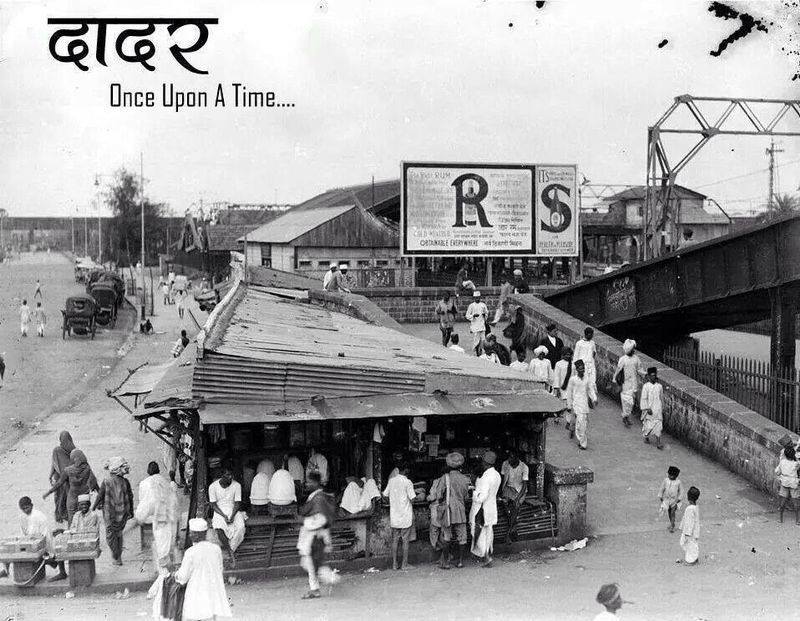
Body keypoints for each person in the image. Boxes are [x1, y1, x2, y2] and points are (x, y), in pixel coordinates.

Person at [171, 518, 232, 620]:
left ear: (196, 535)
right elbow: (220, 569)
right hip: (213, 590)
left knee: (196, 615)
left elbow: (183, 577)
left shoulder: (191, 552)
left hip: (197, 592)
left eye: (191, 533)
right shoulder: (216, 549)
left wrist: (175, 575)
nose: (189, 535)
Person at [297, 471, 339, 599]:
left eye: (309, 482)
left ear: (315, 482)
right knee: (310, 562)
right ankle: (319, 585)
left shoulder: (319, 498)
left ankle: (327, 581)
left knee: (313, 563)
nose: (306, 484)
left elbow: (321, 520)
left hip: (316, 536)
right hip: (313, 536)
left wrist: (304, 521)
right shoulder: (317, 496)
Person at [427, 452, 470, 569]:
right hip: (460, 510)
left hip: (448, 511)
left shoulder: (444, 478)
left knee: (446, 537)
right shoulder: (465, 479)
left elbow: (439, 495)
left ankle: (445, 563)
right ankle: (460, 561)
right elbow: (466, 496)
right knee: (462, 537)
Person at [134, 461, 177, 572]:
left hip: (159, 519)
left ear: (148, 471)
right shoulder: (165, 482)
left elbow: (145, 502)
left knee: (161, 548)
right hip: (170, 518)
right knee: (166, 546)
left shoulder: (145, 483)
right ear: (158, 470)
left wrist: (140, 517)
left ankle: (165, 575)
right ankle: (165, 571)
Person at [13, 496, 67, 581]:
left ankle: (52, 562)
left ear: (32, 505)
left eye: (27, 508)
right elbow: (26, 533)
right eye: (23, 509)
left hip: (44, 542)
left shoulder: (37, 516)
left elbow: (39, 536)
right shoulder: (26, 516)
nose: (25, 510)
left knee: (27, 552)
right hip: (36, 540)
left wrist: (29, 539)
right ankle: (6, 570)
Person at [92, 456, 134, 566]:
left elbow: (100, 496)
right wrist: (131, 512)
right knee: (119, 534)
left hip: (109, 514)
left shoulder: (107, 482)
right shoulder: (126, 482)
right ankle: (118, 557)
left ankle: (116, 555)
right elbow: (130, 497)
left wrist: (92, 508)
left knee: (110, 536)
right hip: (122, 514)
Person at [43, 448, 99, 525]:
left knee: (72, 520)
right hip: (84, 498)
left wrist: (48, 492)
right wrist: (100, 494)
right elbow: (94, 482)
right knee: (84, 519)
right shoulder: (87, 468)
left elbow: (59, 483)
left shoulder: (68, 470)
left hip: (72, 497)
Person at [382, 462, 416, 570]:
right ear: (406, 470)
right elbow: (413, 498)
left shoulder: (391, 481)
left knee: (395, 540)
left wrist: (394, 501)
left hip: (395, 515)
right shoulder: (408, 482)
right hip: (405, 515)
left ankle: (394, 564)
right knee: (405, 540)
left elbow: (384, 495)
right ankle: (404, 564)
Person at [209, 469, 245, 568]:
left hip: (233, 509)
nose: (230, 477)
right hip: (219, 511)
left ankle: (231, 549)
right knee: (219, 527)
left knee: (241, 527)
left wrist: (232, 515)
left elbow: (237, 503)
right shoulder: (213, 487)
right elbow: (213, 505)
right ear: (222, 476)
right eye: (227, 475)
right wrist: (224, 516)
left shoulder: (237, 485)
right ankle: (230, 552)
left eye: (231, 475)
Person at [470, 450, 501, 567]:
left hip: (482, 509)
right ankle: (486, 555)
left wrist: (474, 492)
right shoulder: (497, 475)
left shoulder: (485, 478)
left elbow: (480, 497)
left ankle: (486, 557)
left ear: (485, 463)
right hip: (491, 508)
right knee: (488, 533)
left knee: (480, 532)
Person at [565, 360, 598, 449]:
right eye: (580, 369)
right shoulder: (573, 380)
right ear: (577, 370)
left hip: (584, 405)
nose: (582, 371)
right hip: (576, 404)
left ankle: (581, 440)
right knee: (579, 422)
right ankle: (582, 442)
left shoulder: (587, 379)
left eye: (583, 369)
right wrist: (569, 404)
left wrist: (594, 398)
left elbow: (590, 389)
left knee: (582, 424)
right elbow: (569, 392)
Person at [500, 450, 529, 542]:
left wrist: (518, 498)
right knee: (505, 505)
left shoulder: (524, 467)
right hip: (508, 488)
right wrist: (501, 492)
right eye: (509, 457)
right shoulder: (505, 464)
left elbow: (524, 486)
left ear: (517, 458)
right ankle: (513, 529)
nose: (509, 459)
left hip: (520, 490)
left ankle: (509, 532)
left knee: (516, 506)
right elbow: (502, 479)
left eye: (511, 457)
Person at [48, 430, 76, 524]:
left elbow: (55, 464)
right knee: (61, 497)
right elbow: (54, 463)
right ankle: (61, 514)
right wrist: (51, 474)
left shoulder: (71, 450)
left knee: (63, 497)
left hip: (65, 478)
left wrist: (51, 474)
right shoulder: (59, 450)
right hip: (62, 478)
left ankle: (63, 514)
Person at [616, 339, 643, 428]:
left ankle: (626, 415)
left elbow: (639, 369)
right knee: (626, 401)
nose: (634, 351)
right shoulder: (623, 359)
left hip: (634, 383)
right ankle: (625, 416)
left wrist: (645, 374)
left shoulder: (636, 359)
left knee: (631, 402)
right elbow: (618, 371)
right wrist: (615, 381)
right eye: (632, 349)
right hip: (625, 383)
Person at [640, 366, 664, 449]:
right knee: (648, 426)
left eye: (655, 375)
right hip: (649, 410)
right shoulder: (646, 386)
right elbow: (643, 398)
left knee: (658, 426)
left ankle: (658, 442)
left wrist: (662, 408)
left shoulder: (659, 386)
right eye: (652, 375)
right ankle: (646, 436)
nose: (654, 377)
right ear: (649, 376)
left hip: (657, 410)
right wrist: (647, 408)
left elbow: (661, 398)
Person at [775, 445, 800, 524]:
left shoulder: (782, 462)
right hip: (793, 483)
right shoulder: (796, 463)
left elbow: (777, 472)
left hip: (784, 482)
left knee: (783, 501)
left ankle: (780, 519)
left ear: (785, 454)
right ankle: (797, 520)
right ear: (793, 455)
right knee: (795, 502)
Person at [679, 486, 701, 565]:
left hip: (690, 531)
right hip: (694, 530)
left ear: (688, 497)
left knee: (690, 545)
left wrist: (687, 532)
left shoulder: (689, 509)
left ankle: (691, 561)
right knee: (693, 545)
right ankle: (694, 558)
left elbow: (689, 521)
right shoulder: (695, 507)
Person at [658, 466, 683, 533]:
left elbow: (681, 491)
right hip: (666, 500)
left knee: (672, 513)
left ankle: (672, 526)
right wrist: (660, 495)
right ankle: (672, 523)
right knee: (669, 512)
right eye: (669, 474)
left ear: (675, 476)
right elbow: (662, 488)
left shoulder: (678, 482)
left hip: (674, 500)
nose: (670, 476)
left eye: (671, 475)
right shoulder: (665, 480)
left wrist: (679, 498)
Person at [572, 327, 597, 391]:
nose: (591, 336)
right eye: (590, 334)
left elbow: (594, 353)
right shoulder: (579, 343)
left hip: (591, 365)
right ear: (586, 334)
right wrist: (575, 367)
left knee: (591, 382)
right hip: (582, 366)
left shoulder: (592, 343)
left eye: (592, 334)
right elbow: (576, 356)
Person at [465, 290, 488, 356]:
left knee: (482, 340)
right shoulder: (471, 306)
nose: (477, 298)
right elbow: (467, 315)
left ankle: (481, 352)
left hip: (482, 325)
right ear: (474, 298)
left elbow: (487, 313)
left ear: (480, 297)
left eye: (478, 297)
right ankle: (477, 352)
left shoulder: (483, 305)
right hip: (475, 325)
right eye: (476, 297)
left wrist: (485, 315)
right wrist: (473, 316)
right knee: (476, 340)